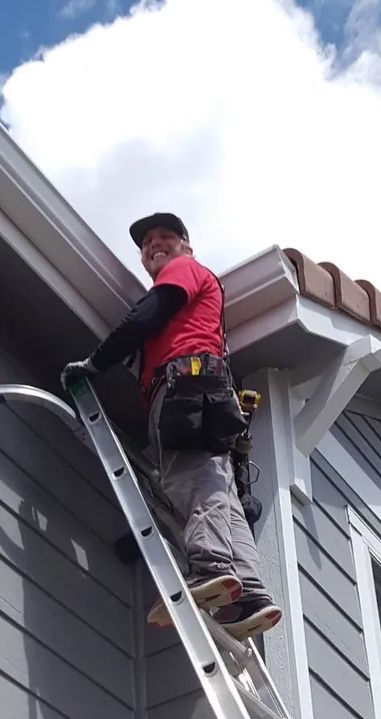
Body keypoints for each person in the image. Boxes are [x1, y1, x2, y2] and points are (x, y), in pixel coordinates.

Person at [61, 213, 281, 640]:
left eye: (165, 237)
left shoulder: (183, 272)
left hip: (186, 385)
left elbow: (147, 314)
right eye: (146, 243)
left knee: (193, 478)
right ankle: (249, 592)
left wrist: (95, 362)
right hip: (207, 388)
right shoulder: (196, 305)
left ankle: (211, 567)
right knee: (221, 492)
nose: (153, 245)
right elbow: (153, 330)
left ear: (187, 247)